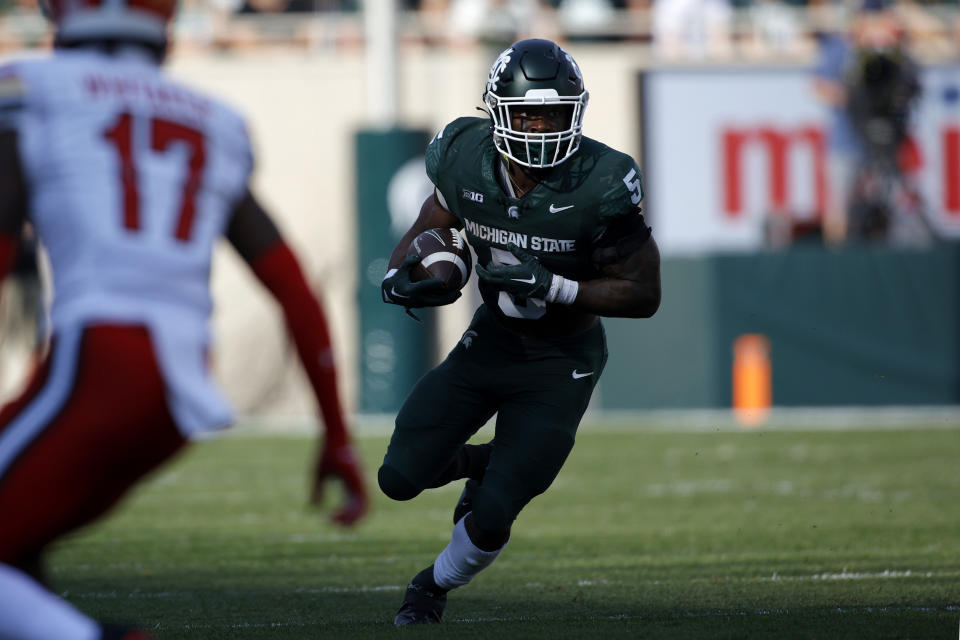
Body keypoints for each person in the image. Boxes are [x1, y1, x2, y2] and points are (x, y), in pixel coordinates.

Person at [0, 0, 369, 636]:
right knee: (17, 552)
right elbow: (294, 289)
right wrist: (335, 433)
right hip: (180, 385)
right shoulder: (213, 118)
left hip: (101, 364)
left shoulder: (34, 86)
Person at [378, 38, 661, 625]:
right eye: (527, 113)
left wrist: (555, 286)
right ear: (496, 111)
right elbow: (432, 223)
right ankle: (483, 463)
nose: (540, 129)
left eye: (553, 114)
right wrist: (399, 273)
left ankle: (429, 588)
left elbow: (643, 293)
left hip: (562, 361)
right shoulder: (462, 154)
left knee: (496, 512)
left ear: (575, 112)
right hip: (493, 342)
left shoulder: (601, 181)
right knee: (400, 477)